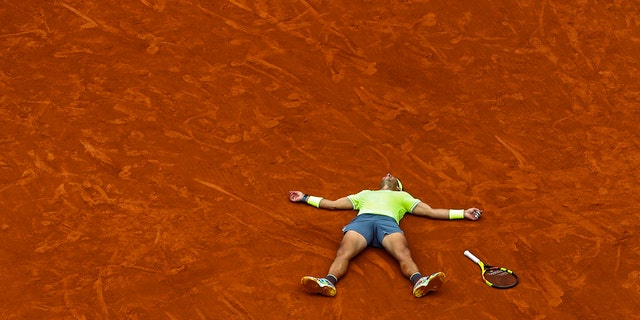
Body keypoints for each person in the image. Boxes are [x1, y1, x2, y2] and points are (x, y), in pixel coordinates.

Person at [288, 173, 482, 298]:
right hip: (362, 222)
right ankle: (328, 281)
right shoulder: (365, 194)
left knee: (403, 254)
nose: (389, 174)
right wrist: (305, 197)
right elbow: (333, 204)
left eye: (394, 177)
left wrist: (462, 212)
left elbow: (431, 211)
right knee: (343, 252)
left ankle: (419, 281)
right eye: (387, 175)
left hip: (387, 223)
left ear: (398, 187)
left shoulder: (403, 197)